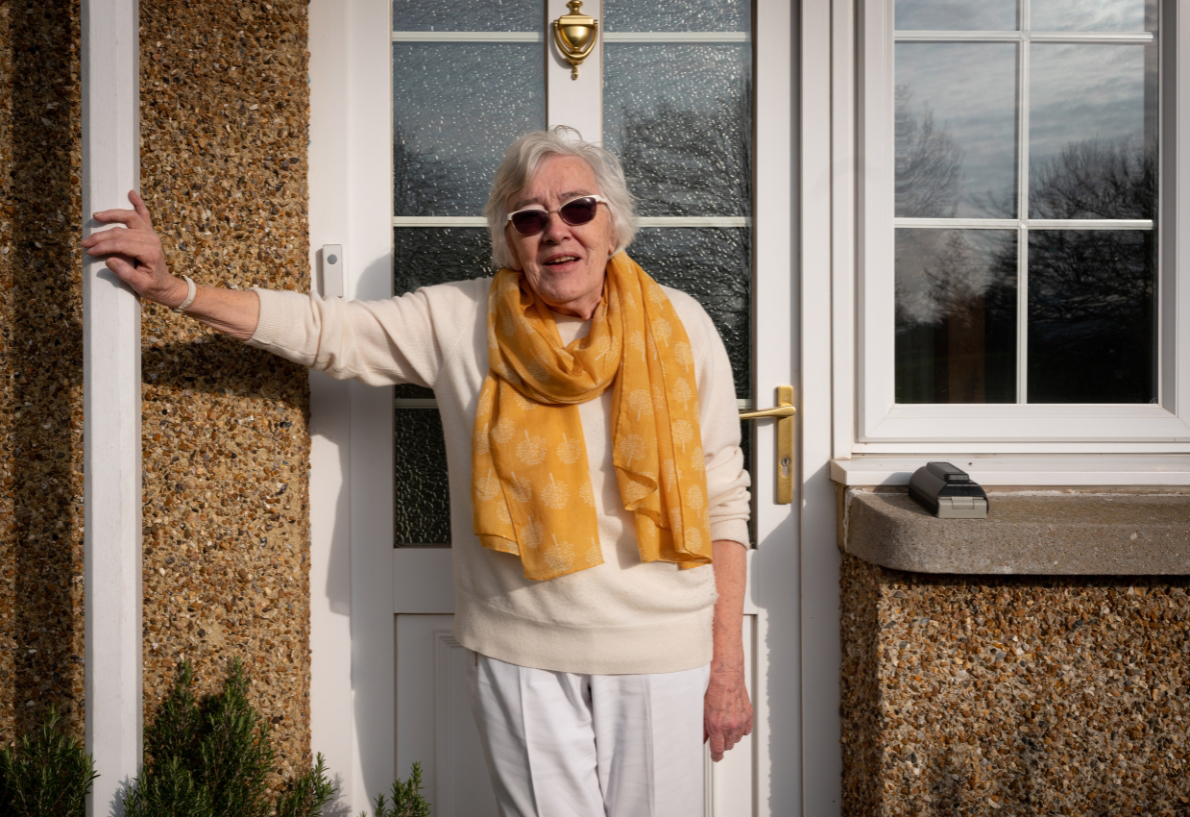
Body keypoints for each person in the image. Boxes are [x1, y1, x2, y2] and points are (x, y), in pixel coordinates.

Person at [83, 127, 753, 817]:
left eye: (577, 208)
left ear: (613, 222)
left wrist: (727, 665)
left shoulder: (683, 324)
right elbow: (326, 330)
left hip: (661, 653)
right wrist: (176, 288)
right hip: (519, 650)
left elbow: (725, 501)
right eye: (530, 217)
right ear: (511, 240)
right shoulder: (463, 320)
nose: (557, 231)